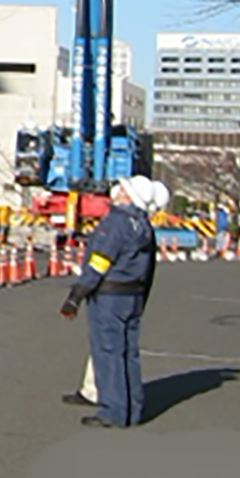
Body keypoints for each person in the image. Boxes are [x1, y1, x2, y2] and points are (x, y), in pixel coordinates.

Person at [59, 172, 160, 427]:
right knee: (128, 354)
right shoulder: (143, 225)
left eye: (123, 189)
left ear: (128, 196)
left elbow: (100, 262)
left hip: (110, 295)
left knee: (108, 352)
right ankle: (133, 409)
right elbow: (149, 268)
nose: (117, 192)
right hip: (132, 294)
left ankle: (113, 411)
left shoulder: (115, 222)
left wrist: (77, 294)